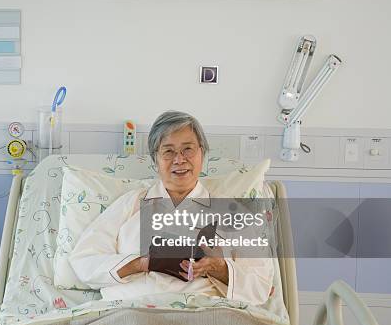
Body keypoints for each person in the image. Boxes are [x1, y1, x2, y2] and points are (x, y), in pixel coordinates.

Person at [69, 110, 274, 304]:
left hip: (205, 315)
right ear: (155, 160)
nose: (179, 159)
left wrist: (219, 268)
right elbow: (85, 261)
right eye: (168, 151)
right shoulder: (130, 205)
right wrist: (142, 264)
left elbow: (261, 286)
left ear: (202, 154)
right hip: (132, 312)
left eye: (188, 149)